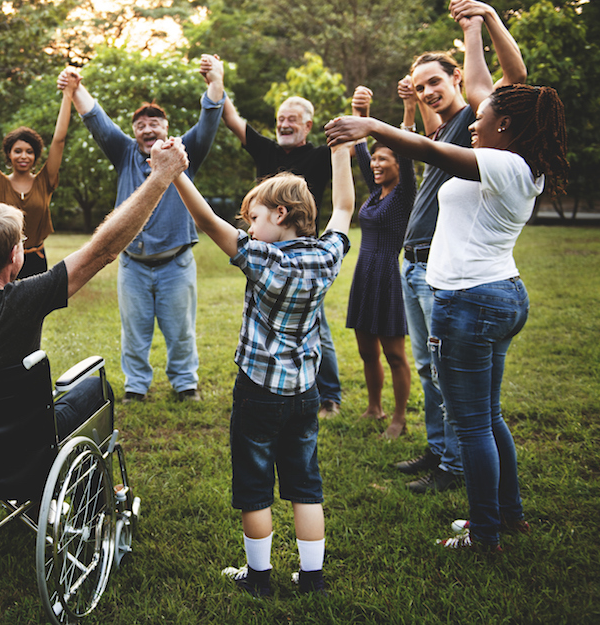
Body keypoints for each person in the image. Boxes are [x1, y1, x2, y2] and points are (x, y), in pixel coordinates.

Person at [326, 0, 567, 551]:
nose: (474, 125)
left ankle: (484, 533)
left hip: (470, 301)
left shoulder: (503, 163)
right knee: (490, 416)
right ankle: (509, 515)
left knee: (475, 424)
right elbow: (487, 88)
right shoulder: (516, 162)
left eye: (482, 120)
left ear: (505, 125)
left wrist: (372, 124)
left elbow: (426, 148)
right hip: (496, 293)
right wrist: (476, 25)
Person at [0, 101, 192, 432]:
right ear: (16, 257)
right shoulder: (26, 299)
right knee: (97, 390)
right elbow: (103, 251)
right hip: (20, 437)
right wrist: (160, 177)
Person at [171, 133, 355, 598]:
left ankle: (259, 578)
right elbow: (345, 209)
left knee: (254, 485)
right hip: (305, 392)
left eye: (253, 218)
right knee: (305, 484)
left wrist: (174, 174)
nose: (249, 228)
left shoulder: (263, 258)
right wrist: (339, 154)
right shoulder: (327, 255)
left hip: (258, 391)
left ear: (280, 215)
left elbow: (206, 221)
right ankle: (312, 578)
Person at [390, 0, 528, 494]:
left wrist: (478, 24)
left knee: (454, 384)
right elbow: (429, 134)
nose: (428, 91)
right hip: (418, 262)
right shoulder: (461, 130)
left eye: (435, 82)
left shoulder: (478, 124)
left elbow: (499, 84)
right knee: (431, 370)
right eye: (421, 84)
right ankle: (441, 449)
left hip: (450, 276)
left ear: (457, 82)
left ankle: (455, 467)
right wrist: (411, 102)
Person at [61, 55, 226, 403]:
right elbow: (96, 120)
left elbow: (210, 119)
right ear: (134, 131)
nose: (148, 129)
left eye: (155, 123)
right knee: (134, 333)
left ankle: (185, 385)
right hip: (133, 265)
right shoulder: (123, 153)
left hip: (176, 264)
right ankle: (136, 387)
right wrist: (77, 89)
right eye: (141, 125)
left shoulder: (184, 153)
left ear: (166, 127)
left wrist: (215, 80)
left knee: (181, 332)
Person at [219, 84, 343, 418]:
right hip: (265, 252)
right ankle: (278, 383)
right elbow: (232, 119)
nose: (284, 124)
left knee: (316, 325)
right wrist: (215, 80)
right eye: (280, 119)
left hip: (304, 254)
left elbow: (345, 168)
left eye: (292, 119)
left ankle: (328, 395)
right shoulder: (267, 150)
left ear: (308, 126)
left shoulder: (319, 155)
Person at [344, 86, 416, 439]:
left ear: (398, 165)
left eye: (382, 159)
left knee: (394, 354)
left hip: (387, 274)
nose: (374, 163)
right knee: (366, 349)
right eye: (373, 159)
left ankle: (399, 418)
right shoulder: (375, 193)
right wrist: (361, 111)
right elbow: (359, 149)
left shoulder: (404, 194)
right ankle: (374, 407)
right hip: (364, 274)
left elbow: (405, 145)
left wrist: (408, 109)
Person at [0, 74, 74, 278]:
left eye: (29, 151)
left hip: (36, 259)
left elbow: (59, 140)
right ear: (9, 154)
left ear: (36, 156)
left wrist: (68, 94)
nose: (23, 156)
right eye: (17, 151)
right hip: (0, 260)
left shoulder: (45, 181)